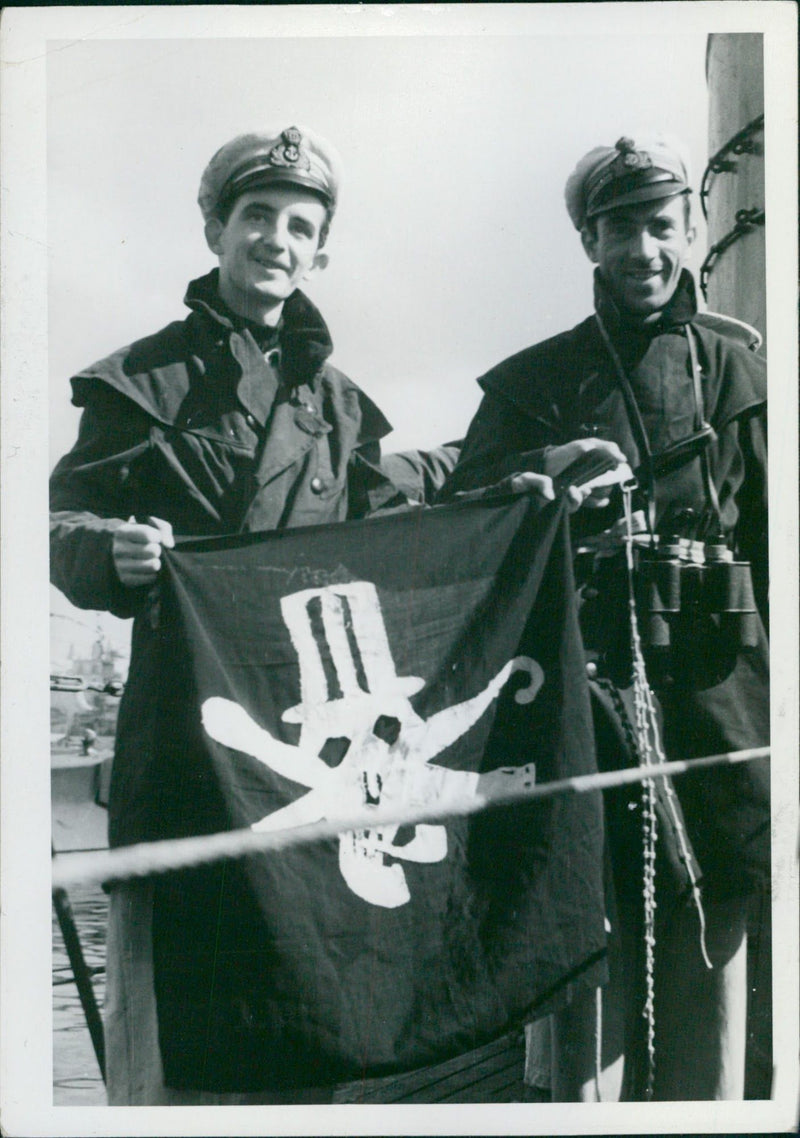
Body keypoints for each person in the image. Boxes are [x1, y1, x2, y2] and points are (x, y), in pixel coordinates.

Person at [49, 125, 457, 1104]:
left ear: (321, 251)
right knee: (171, 1035)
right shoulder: (138, 384)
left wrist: (516, 489)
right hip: (184, 747)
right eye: (257, 216)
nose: (276, 238)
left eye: (298, 225)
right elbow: (57, 523)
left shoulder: (343, 408)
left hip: (305, 751)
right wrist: (110, 548)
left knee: (301, 1019)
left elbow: (396, 522)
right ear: (215, 229)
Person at [439, 134, 770, 1101]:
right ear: (589, 240)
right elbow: (467, 529)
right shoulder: (530, 386)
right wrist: (544, 489)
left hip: (722, 710)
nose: (643, 250)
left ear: (692, 231)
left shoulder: (744, 382)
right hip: (583, 709)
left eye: (660, 226)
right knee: (583, 953)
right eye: (619, 228)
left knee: (716, 948)